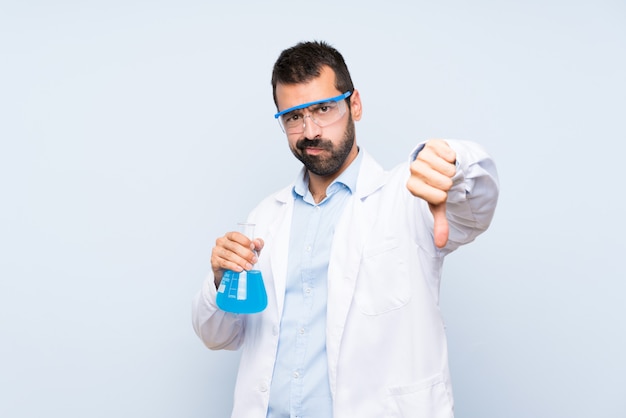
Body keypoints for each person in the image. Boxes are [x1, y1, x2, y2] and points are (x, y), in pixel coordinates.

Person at [192, 40, 499, 418]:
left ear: (354, 105)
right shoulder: (267, 217)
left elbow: (476, 206)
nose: (310, 131)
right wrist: (221, 280)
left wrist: (454, 165)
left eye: (323, 109)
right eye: (293, 117)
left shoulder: (407, 196)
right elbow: (218, 335)